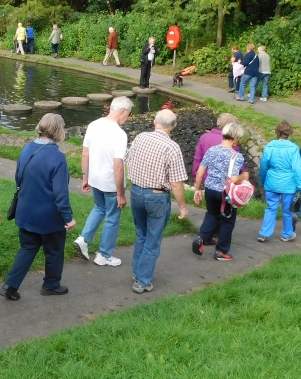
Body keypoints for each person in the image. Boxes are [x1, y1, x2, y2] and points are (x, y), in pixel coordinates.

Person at [0, 114, 75, 300]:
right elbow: (61, 194)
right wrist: (68, 218)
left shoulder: (27, 149)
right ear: (59, 131)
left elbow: (19, 178)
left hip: (25, 211)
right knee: (55, 250)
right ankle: (51, 285)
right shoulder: (57, 157)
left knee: (27, 247)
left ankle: (10, 285)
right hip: (49, 216)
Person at [124, 109, 189, 292]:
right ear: (174, 126)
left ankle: (137, 271)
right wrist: (183, 207)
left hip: (136, 191)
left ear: (154, 122)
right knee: (153, 239)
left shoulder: (141, 137)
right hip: (157, 196)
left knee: (141, 235)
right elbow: (176, 183)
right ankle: (142, 281)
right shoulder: (172, 147)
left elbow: (128, 160)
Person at [73, 96, 132, 266]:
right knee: (112, 217)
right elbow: (118, 166)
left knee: (99, 208)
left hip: (95, 178)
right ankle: (104, 255)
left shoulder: (93, 125)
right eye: (128, 114)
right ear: (122, 111)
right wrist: (121, 193)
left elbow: (85, 154)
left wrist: (86, 177)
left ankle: (84, 239)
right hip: (110, 183)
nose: (127, 118)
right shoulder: (120, 135)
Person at [191, 123, 248, 261]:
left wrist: (198, 189)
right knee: (228, 221)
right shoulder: (237, 157)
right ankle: (221, 251)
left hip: (210, 189)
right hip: (225, 193)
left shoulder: (211, 150)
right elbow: (234, 179)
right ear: (234, 139)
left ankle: (201, 237)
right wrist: (243, 177)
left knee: (212, 214)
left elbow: (200, 172)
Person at [257, 121, 301, 242]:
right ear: (289, 134)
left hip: (272, 182)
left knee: (270, 208)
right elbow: (297, 169)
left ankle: (264, 233)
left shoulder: (270, 146)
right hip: (288, 185)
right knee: (287, 210)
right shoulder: (294, 148)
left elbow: (263, 166)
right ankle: (287, 234)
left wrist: (263, 180)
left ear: (277, 132)